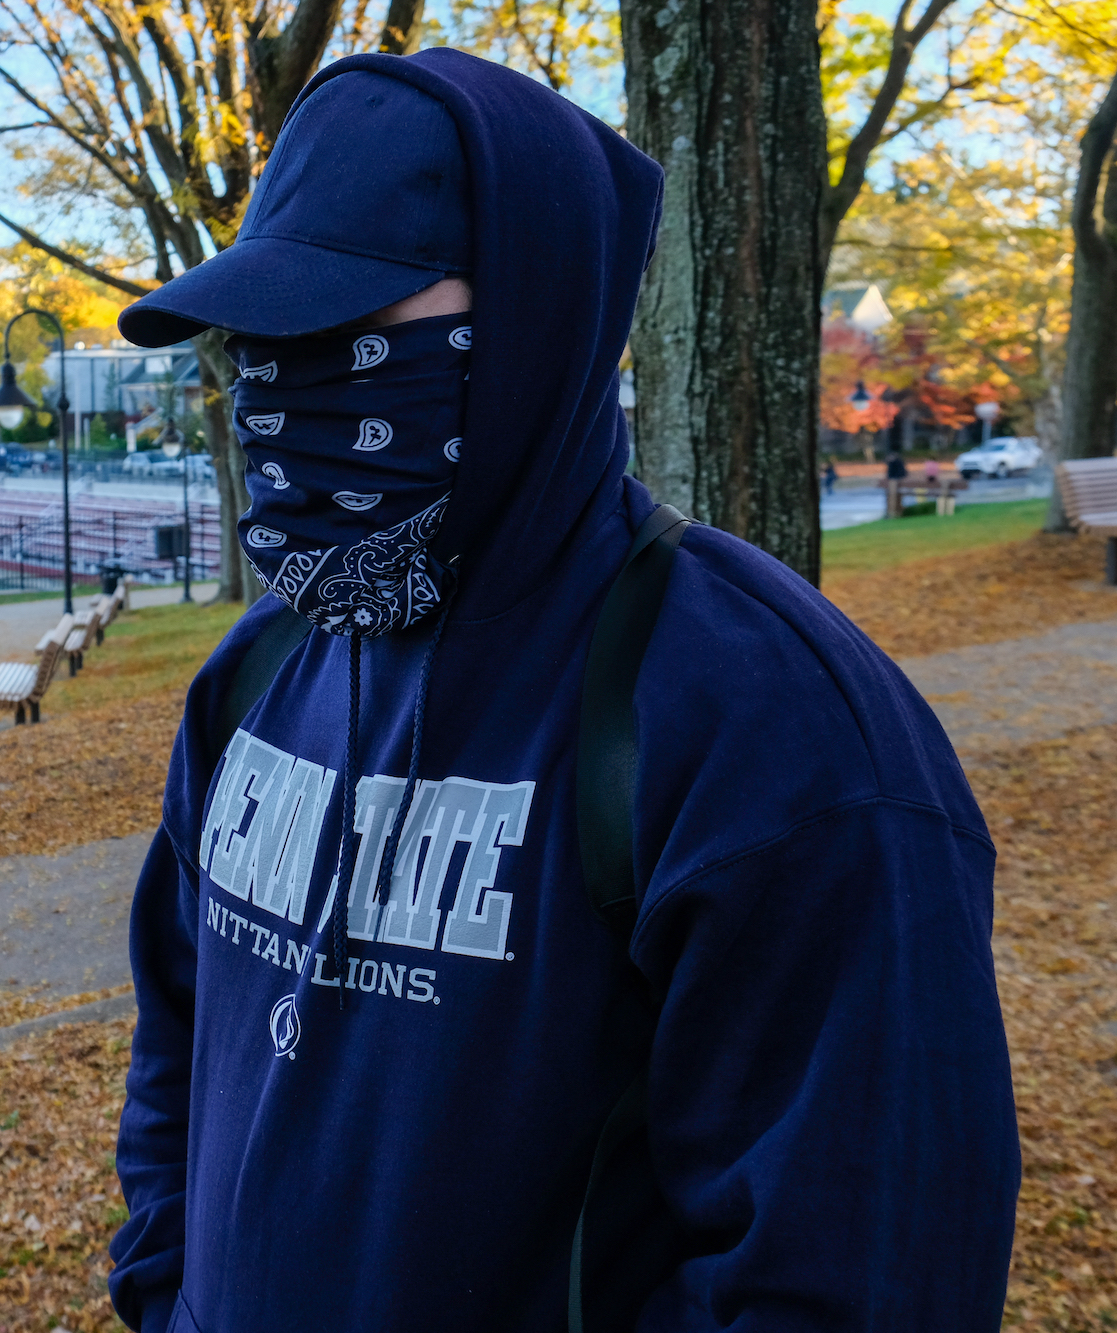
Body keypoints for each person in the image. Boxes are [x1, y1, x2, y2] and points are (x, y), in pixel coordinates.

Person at [106, 47, 1018, 1333]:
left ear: (533, 327)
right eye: (256, 339)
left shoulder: (777, 734)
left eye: (341, 334)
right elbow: (178, 1041)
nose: (278, 379)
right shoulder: (256, 672)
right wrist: (163, 1294)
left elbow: (854, 1273)